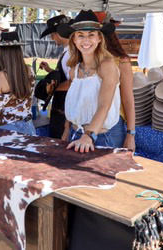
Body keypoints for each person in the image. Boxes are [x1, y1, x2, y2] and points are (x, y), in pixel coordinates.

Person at [58, 10, 121, 152]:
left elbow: (104, 105)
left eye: (91, 35)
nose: (86, 40)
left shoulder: (107, 66)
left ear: (99, 38)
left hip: (100, 137)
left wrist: (89, 135)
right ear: (73, 39)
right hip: (76, 135)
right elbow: (75, 103)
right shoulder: (74, 69)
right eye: (80, 35)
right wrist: (67, 130)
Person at [95, 12, 136, 151]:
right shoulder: (86, 62)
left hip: (112, 125)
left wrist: (131, 134)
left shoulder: (120, 61)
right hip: (87, 123)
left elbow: (128, 99)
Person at [38, 15, 71, 139]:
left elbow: (72, 82)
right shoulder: (67, 52)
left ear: (59, 33)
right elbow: (65, 77)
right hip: (62, 109)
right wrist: (49, 70)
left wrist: (53, 89)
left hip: (64, 111)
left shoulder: (70, 54)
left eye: (52, 34)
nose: (52, 38)